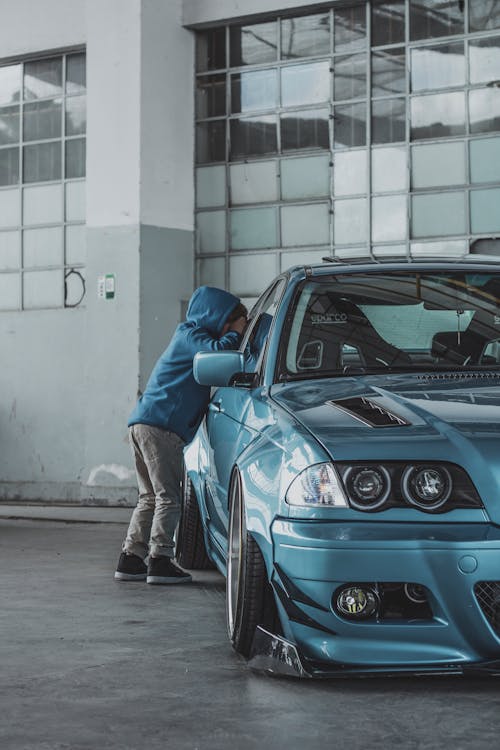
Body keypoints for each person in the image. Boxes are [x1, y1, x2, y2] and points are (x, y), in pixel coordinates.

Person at [115, 286, 247, 585]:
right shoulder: (191, 335)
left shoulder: (188, 335)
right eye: (231, 322)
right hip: (161, 427)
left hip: (144, 424)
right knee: (168, 498)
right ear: (215, 317)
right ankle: (160, 560)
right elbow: (216, 354)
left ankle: (130, 558)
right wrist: (237, 333)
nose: (232, 328)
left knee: (149, 496)